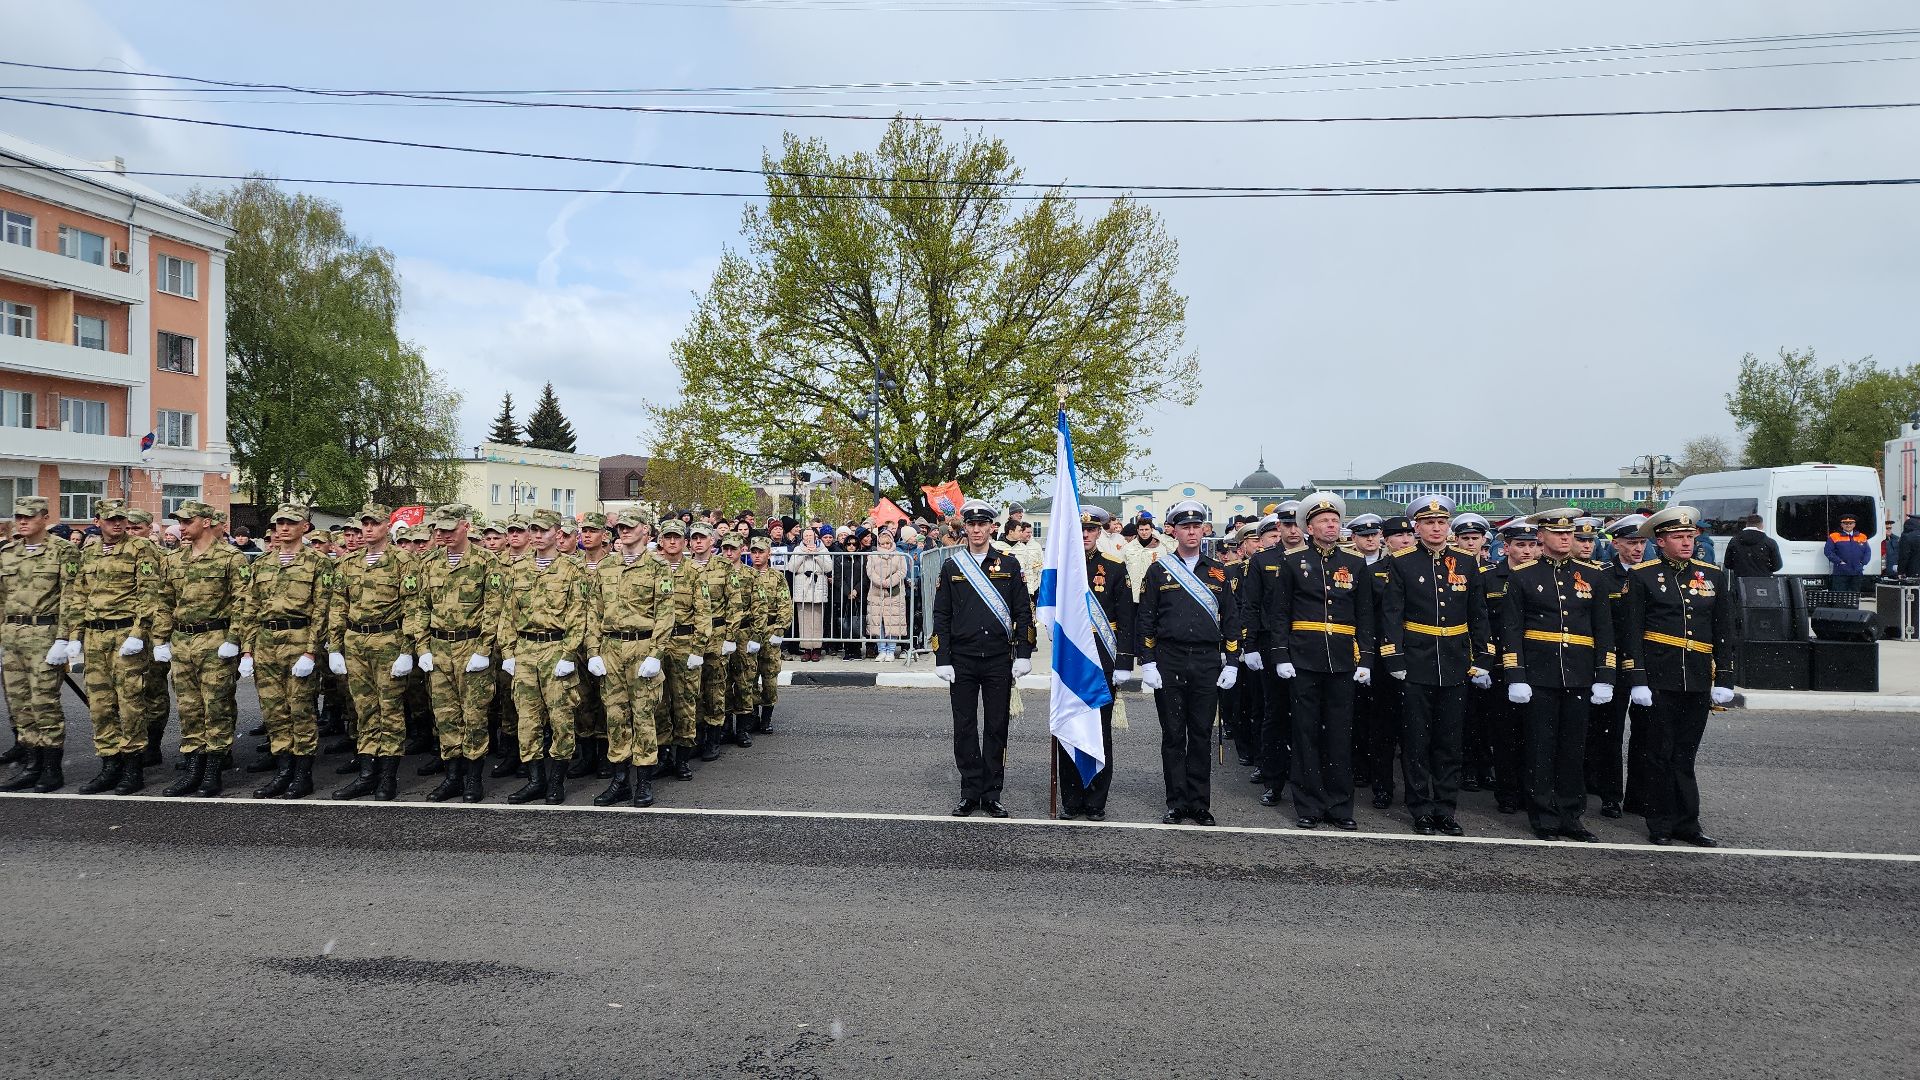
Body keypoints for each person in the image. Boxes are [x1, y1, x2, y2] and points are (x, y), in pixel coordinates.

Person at [1259, 492, 1374, 831]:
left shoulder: (1354, 564)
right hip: (1303, 658)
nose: (1331, 525)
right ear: (1308, 527)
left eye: (1335, 520)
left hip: (1341, 659)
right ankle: (1308, 805)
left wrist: (1365, 657)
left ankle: (1340, 806)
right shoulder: (1293, 562)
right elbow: (1279, 613)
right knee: (1305, 733)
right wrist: (1280, 655)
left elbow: (1365, 615)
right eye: (1324, 521)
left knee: (1339, 734)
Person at [1379, 495, 1492, 837]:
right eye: (1429, 523)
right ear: (1417, 527)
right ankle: (1420, 809)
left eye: (1442, 522)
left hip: (1456, 661)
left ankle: (1445, 808)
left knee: (1449, 742)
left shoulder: (1466, 562)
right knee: (1416, 741)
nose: (1436, 528)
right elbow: (1392, 613)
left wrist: (1484, 657)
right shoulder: (1402, 563)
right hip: (1417, 660)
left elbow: (1478, 613)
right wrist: (1393, 655)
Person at [1500, 509, 1615, 843]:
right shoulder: (1522, 577)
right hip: (1539, 673)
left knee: (1573, 748)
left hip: (1579, 673)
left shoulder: (1592, 576)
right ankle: (1544, 816)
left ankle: (1571, 814)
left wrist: (1605, 673)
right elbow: (1512, 629)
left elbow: (1603, 629)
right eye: (1558, 533)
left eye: (1571, 534)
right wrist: (1515, 673)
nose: (1566, 538)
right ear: (1541, 537)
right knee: (1540, 746)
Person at [1623, 506, 1736, 846]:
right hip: (1659, 677)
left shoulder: (1711, 576)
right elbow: (1632, 632)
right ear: (1660, 541)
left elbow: (1723, 631)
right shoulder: (1642, 576)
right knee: (1659, 752)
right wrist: (1638, 679)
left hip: (1698, 677)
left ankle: (1689, 823)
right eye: (1678, 537)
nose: (1686, 543)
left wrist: (1726, 678)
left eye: (1690, 536)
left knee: (1686, 754)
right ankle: (1659, 822)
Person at [1137, 500, 1241, 826]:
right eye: (1185, 526)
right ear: (1174, 530)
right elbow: (1147, 620)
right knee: (1173, 735)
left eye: (1197, 526)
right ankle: (1176, 803)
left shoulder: (1218, 571)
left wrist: (1233, 661)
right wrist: (1148, 662)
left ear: (1205, 530)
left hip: (1208, 660)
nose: (1192, 531)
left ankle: (1199, 804)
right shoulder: (1158, 570)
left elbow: (1232, 620)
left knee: (1199, 734)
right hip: (1170, 659)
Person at [932, 499, 1035, 818]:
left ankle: (992, 793)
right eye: (971, 525)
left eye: (983, 524)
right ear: (965, 528)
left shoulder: (1009, 564)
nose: (977, 530)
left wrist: (1024, 653)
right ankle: (969, 790)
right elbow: (941, 614)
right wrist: (942, 657)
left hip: (997, 659)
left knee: (995, 726)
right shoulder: (952, 567)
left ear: (992, 527)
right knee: (964, 726)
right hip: (962, 658)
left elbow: (1022, 612)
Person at [60, 500, 168, 796]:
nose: (117, 524)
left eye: (121, 519)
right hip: (95, 637)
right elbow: (79, 596)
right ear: (98, 521)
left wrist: (138, 632)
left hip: (125, 635)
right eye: (110, 520)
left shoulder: (139, 549)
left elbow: (150, 593)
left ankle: (133, 768)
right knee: (100, 704)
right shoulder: (89, 553)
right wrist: (73, 636)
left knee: (130, 702)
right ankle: (110, 764)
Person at [155, 500, 249, 798]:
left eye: (187, 521)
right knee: (189, 707)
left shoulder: (231, 558)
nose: (181, 527)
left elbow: (243, 603)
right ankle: (193, 766)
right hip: (183, 642)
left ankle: (213, 769)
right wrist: (160, 640)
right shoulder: (173, 560)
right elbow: (165, 603)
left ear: (206, 522)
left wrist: (234, 641)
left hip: (215, 641)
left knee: (217, 705)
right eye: (179, 522)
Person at [326, 504, 420, 803]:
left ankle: (388, 777)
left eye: (374, 524)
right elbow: (338, 607)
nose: (367, 529)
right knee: (363, 709)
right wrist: (334, 646)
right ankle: (367, 774)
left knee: (389, 710)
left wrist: (408, 650)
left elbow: (413, 608)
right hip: (355, 642)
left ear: (386, 527)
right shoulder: (348, 563)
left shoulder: (404, 561)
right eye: (364, 523)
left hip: (388, 640)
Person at [241, 504, 334, 800]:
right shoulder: (262, 564)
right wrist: (247, 650)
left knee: (300, 710)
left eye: (290, 523)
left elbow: (323, 609)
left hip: (299, 638)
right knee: (274, 712)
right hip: (267, 641)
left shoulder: (318, 563)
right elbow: (250, 608)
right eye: (279, 523)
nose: (283, 528)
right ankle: (283, 770)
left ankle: (302, 774)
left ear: (304, 527)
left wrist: (311, 651)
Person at [498, 509, 589, 805]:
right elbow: (507, 613)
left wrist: (568, 653)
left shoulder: (572, 570)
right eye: (533, 530)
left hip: (556, 648)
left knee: (561, 718)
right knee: (527, 719)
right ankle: (535, 780)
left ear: (556, 533)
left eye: (543, 530)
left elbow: (579, 616)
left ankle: (556, 781)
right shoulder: (518, 568)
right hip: (525, 650)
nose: (537, 536)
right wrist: (508, 650)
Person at [412, 503, 500, 804]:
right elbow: (420, 608)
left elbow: (494, 608)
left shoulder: (486, 562)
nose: (442, 534)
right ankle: (452, 777)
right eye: (438, 529)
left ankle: (474, 779)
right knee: (446, 716)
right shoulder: (429, 563)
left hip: (470, 646)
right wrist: (422, 647)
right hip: (438, 648)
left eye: (448, 529)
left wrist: (484, 649)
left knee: (474, 715)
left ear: (465, 526)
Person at [587, 508, 674, 808]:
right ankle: (620, 780)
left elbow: (665, 614)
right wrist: (592, 650)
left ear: (645, 531)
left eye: (630, 526)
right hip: (610, 648)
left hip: (642, 648)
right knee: (615, 716)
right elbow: (593, 611)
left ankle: (644, 783)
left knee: (643, 716)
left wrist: (656, 653)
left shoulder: (658, 567)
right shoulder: (606, 566)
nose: (623, 531)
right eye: (621, 527)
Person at [1057, 506, 1135, 821]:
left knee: (1100, 730)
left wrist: (1125, 661)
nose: (1086, 535)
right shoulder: (1062, 569)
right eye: (1080, 529)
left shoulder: (1114, 567)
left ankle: (1096, 800)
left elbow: (1127, 617)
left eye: (1091, 530)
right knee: (1069, 726)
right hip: (1071, 660)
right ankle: (1072, 800)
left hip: (1103, 657)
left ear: (1099, 532)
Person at [0, 496, 77, 793]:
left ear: (44, 517)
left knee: (44, 702)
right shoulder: (8, 553)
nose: (22, 521)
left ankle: (51, 767)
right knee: (20, 704)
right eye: (19, 516)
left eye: (29, 516)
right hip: (13, 636)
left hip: (45, 635)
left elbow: (70, 597)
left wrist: (64, 638)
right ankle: (31, 762)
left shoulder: (63, 551)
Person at [1475, 520, 1540, 813]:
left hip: (1538, 666)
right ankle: (1508, 792)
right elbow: (1481, 623)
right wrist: (1483, 663)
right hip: (1501, 664)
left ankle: (1532, 790)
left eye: (1532, 545)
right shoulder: (1489, 578)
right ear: (1507, 548)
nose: (1527, 551)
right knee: (1504, 734)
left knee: (1535, 734)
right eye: (1521, 546)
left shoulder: (1546, 577)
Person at [1590, 513, 1647, 820]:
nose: (1637, 549)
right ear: (1616, 544)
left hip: (1646, 665)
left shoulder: (1654, 575)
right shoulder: (1603, 577)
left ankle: (1639, 796)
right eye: (1631, 542)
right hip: (1613, 663)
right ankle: (1610, 794)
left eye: (1641, 542)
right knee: (1609, 733)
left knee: (1646, 734)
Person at [747, 535, 791, 733]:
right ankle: (753, 715)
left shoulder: (777, 577)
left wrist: (779, 631)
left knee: (770, 677)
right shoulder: (745, 576)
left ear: (768, 553)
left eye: (760, 552)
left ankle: (767, 717)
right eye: (754, 552)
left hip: (771, 630)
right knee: (749, 676)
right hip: (750, 632)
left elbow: (785, 605)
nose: (757, 556)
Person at [787, 529, 832, 661]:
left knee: (817, 619)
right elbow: (791, 568)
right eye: (805, 535)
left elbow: (828, 568)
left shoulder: (823, 549)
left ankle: (817, 649)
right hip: (802, 587)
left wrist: (816, 554)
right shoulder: (797, 549)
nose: (808, 538)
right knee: (803, 620)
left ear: (815, 537)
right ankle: (806, 649)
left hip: (817, 585)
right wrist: (802, 554)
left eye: (810, 535)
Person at [866, 529, 910, 662]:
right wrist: (880, 582)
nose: (885, 546)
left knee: (893, 622)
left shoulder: (899, 555)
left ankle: (891, 651)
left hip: (894, 594)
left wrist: (889, 582)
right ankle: (881, 650)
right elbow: (870, 571)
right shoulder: (872, 555)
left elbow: (902, 571)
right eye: (883, 543)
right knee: (878, 622)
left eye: (887, 543)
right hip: (876, 592)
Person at [1723, 514, 1783, 583]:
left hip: (1741, 582)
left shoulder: (1734, 541)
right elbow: (1777, 565)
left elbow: (1728, 564)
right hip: (1764, 583)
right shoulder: (1770, 542)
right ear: (1762, 525)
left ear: (1747, 524)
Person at [1823, 515, 1870, 594]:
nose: (1848, 525)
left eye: (1850, 523)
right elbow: (1828, 551)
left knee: (1854, 597)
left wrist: (1863, 563)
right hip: (1841, 573)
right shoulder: (1834, 536)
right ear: (1841, 525)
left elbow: (1868, 552)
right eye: (1845, 523)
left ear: (1854, 524)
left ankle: (1853, 607)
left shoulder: (1862, 536)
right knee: (1839, 597)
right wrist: (1839, 562)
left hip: (1856, 572)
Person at [1121, 513, 1162, 601]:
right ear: (1137, 531)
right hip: (1132, 594)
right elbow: (1121, 569)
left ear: (1151, 530)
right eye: (1141, 530)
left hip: (1153, 594)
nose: (1144, 532)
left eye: (1146, 529)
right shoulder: (1128, 548)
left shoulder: (1160, 548)